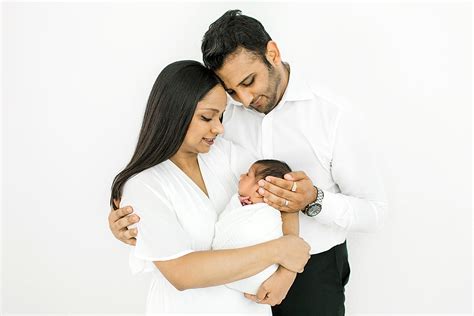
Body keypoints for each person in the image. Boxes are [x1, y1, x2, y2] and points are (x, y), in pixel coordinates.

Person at [109, 10, 387, 315]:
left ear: (273, 53)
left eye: (249, 81)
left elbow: (374, 211)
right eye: (231, 91)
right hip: (238, 283)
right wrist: (136, 225)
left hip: (315, 268)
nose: (242, 99)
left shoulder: (331, 116)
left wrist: (313, 203)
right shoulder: (221, 118)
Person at [110, 60, 311, 314]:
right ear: (175, 113)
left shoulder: (226, 155)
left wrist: (287, 272)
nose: (219, 128)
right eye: (207, 117)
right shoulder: (143, 185)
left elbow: (284, 197)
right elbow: (182, 273)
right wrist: (279, 250)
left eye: (221, 116)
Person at [213, 159, 298, 295]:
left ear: (260, 191)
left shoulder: (268, 215)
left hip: (254, 275)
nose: (241, 176)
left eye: (247, 174)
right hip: (232, 272)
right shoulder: (242, 204)